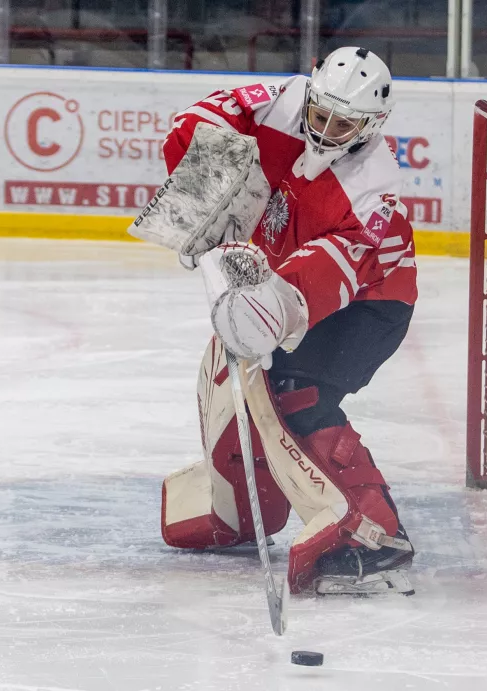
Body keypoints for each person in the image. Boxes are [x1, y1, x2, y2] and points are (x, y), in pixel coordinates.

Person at [140, 47, 417, 596]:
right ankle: (238, 510)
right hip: (277, 274)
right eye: (321, 114)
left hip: (369, 302)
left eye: (344, 125)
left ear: (372, 125)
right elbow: (194, 125)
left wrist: (269, 305)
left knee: (294, 392)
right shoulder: (277, 103)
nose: (326, 131)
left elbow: (331, 270)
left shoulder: (372, 188)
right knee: (227, 378)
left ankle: (374, 536)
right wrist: (204, 201)